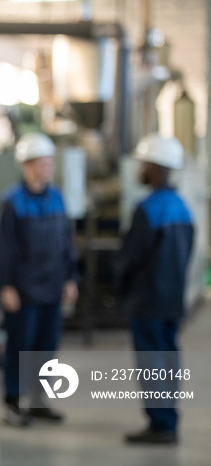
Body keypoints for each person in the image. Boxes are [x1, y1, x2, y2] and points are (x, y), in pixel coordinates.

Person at [0, 132, 79, 427]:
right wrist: (5, 286)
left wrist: (70, 278)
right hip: (23, 291)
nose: (47, 168)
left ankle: (39, 400)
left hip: (53, 288)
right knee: (19, 347)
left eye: (49, 163)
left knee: (47, 348)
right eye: (42, 163)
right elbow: (3, 248)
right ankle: (13, 402)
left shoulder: (57, 198)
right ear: (27, 166)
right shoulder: (12, 203)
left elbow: (66, 242)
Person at [118, 133, 194, 445]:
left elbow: (131, 258)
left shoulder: (148, 209)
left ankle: (160, 424)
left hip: (147, 302)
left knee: (151, 363)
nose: (140, 168)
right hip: (172, 301)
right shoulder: (181, 207)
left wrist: (121, 289)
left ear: (156, 167)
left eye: (144, 163)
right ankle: (168, 420)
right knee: (168, 360)